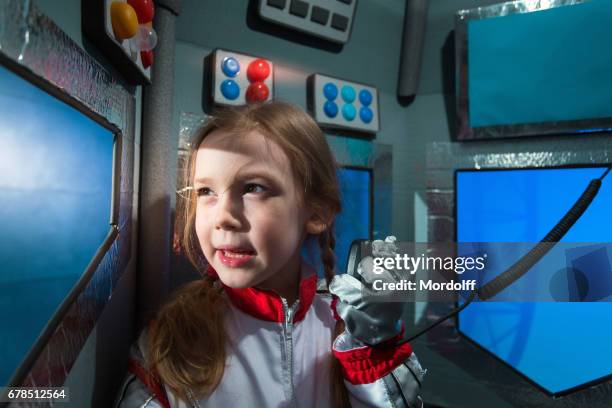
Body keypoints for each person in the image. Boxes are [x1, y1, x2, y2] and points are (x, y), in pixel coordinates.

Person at [115, 101, 425, 408]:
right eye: (205, 191)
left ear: (317, 212)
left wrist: (376, 347)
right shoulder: (168, 338)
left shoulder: (351, 329)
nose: (223, 216)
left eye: (253, 188)